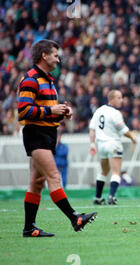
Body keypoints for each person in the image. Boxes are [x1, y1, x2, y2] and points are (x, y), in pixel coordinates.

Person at [17, 39, 96, 237]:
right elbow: (23, 111)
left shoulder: (48, 80)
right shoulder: (30, 79)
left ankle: (29, 228)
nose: (58, 59)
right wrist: (51, 109)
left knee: (36, 182)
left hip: (47, 133)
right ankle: (74, 217)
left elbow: (43, 109)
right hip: (37, 134)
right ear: (44, 55)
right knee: (54, 176)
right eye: (55, 55)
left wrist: (61, 112)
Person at [89, 89, 137, 205]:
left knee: (104, 171)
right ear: (111, 99)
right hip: (113, 144)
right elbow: (123, 130)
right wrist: (132, 137)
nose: (122, 100)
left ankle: (98, 197)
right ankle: (112, 196)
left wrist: (92, 144)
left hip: (101, 145)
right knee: (116, 172)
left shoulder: (99, 110)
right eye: (119, 98)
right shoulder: (115, 113)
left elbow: (92, 128)